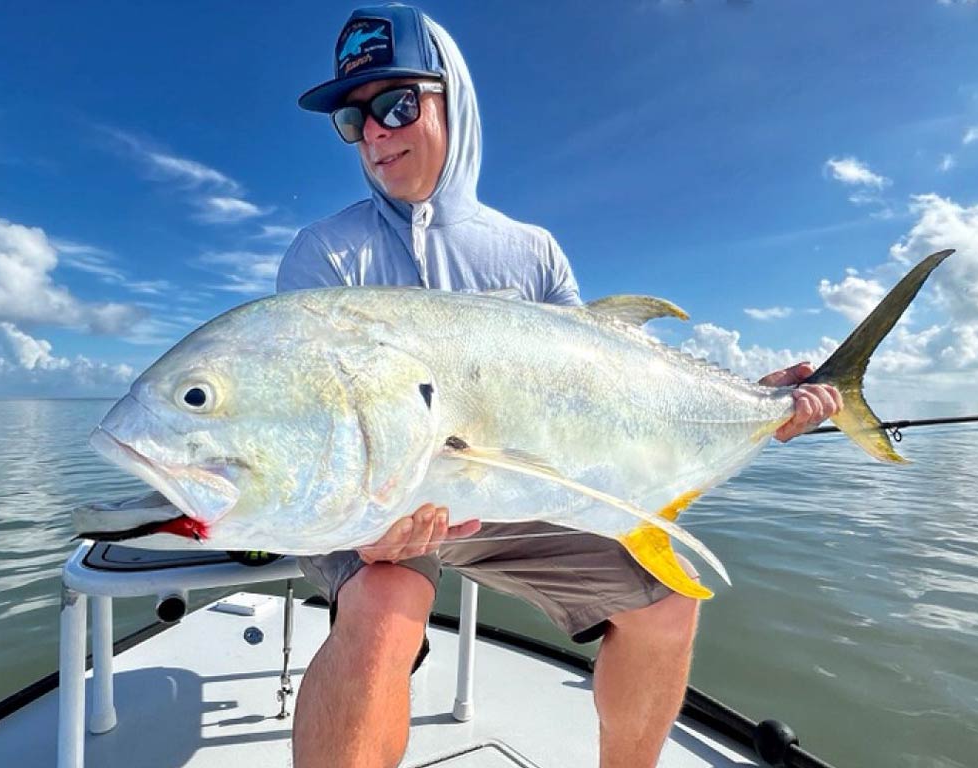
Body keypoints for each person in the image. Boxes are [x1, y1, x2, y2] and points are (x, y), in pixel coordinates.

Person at [277, 6, 842, 767]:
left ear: (455, 101)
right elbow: (308, 427)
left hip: (515, 489)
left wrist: (762, 406)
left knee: (668, 606)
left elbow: (603, 399)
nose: (375, 131)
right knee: (384, 604)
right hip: (375, 500)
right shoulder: (326, 256)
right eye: (353, 117)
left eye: (397, 102)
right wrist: (366, 531)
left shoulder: (531, 253)